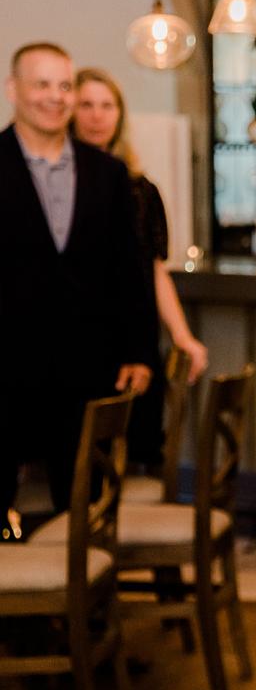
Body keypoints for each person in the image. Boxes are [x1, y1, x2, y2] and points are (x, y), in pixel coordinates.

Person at [0, 42, 151, 527]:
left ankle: (88, 602)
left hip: (90, 367)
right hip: (8, 370)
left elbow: (130, 268)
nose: (55, 97)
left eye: (64, 85)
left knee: (88, 508)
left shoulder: (106, 173)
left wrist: (139, 351)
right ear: (14, 90)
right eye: (42, 84)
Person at [71, 67, 208, 468]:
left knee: (135, 448)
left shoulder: (139, 188)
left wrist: (183, 337)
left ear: (119, 114)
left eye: (107, 105)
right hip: (80, 334)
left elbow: (153, 269)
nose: (97, 116)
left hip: (133, 333)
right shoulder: (57, 185)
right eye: (87, 105)